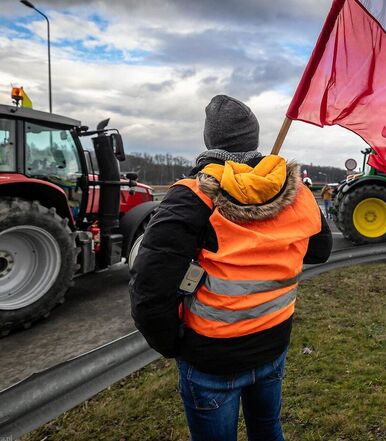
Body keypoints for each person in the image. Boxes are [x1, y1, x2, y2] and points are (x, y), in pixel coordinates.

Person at [130, 95, 333, 441]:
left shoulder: (191, 197)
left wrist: (175, 346)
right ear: (253, 140)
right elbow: (319, 249)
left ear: (211, 141)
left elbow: (150, 290)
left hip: (211, 359)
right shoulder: (294, 191)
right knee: (268, 428)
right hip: (273, 344)